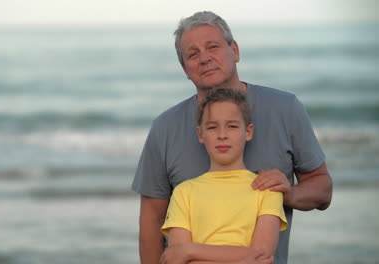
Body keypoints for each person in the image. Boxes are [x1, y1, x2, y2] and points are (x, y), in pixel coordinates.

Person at [131, 11, 333, 264]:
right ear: (185, 69)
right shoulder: (165, 128)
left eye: (212, 47)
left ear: (235, 51)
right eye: (193, 54)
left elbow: (323, 190)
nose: (205, 58)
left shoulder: (285, 108)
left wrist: (286, 194)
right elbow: (152, 221)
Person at [160, 88, 288, 264]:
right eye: (212, 127)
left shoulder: (267, 188)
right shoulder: (184, 192)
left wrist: (191, 250)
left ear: (248, 132)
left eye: (232, 126)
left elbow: (261, 255)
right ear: (201, 134)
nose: (222, 135)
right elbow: (176, 259)